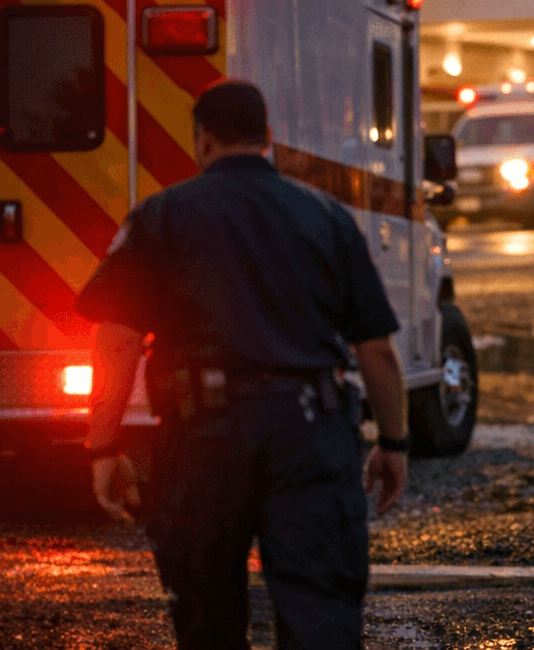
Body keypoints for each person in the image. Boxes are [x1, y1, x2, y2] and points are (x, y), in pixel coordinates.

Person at [75, 80, 411, 650]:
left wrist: (104, 446)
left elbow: (117, 342)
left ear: (201, 140)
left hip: (202, 438)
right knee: (321, 616)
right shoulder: (326, 216)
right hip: (311, 434)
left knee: (208, 617)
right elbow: (375, 349)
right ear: (268, 139)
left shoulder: (160, 217)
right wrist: (395, 443)